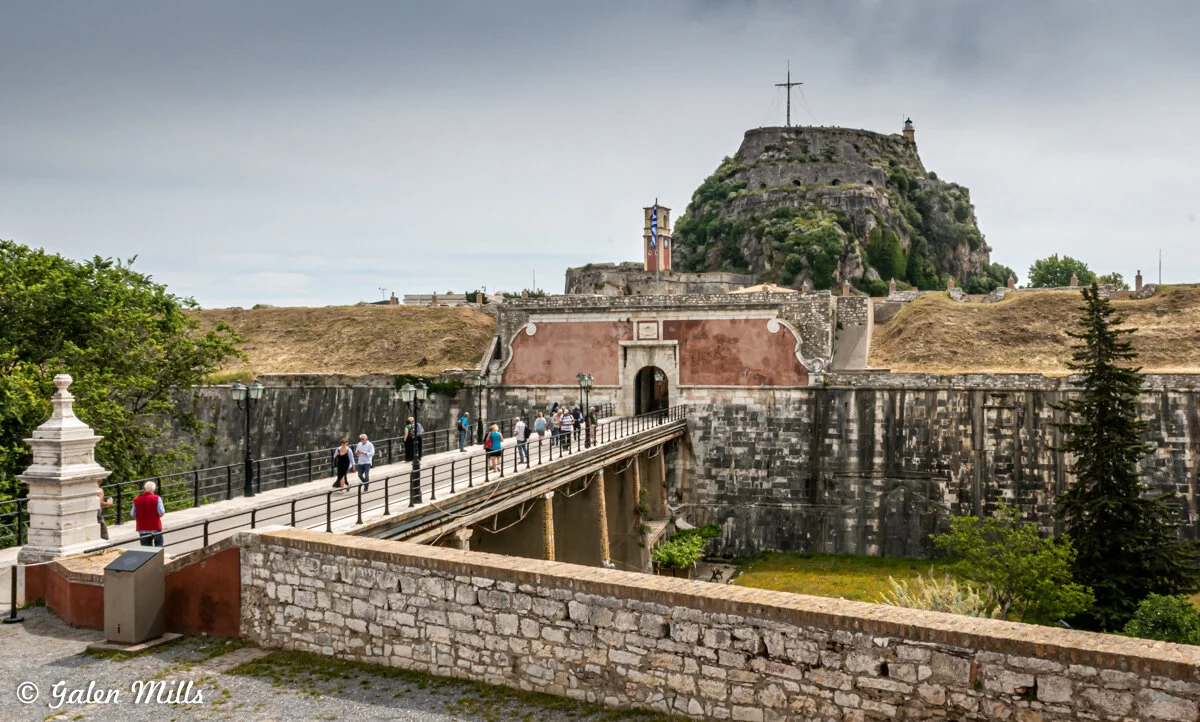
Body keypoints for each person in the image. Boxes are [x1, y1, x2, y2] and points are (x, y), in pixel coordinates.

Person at [129, 481, 165, 547]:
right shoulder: (157, 498)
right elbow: (161, 512)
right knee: (158, 546)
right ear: (154, 489)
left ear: (144, 489)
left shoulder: (136, 499)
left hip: (142, 528)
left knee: (146, 549)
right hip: (155, 526)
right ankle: (158, 557)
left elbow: (132, 513)